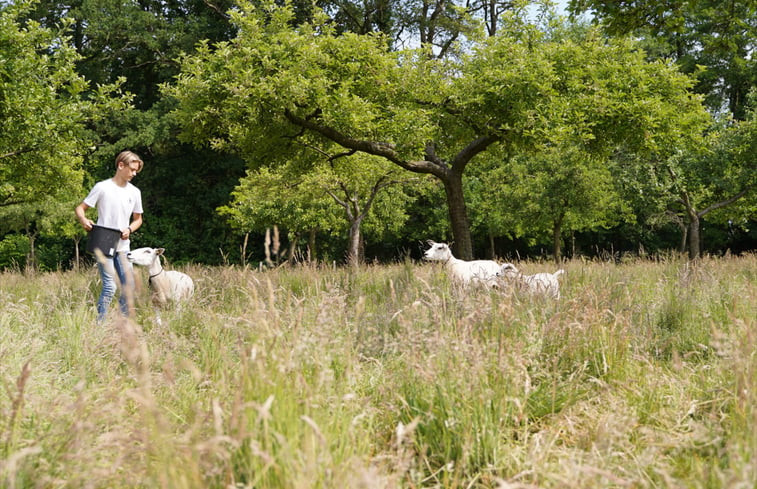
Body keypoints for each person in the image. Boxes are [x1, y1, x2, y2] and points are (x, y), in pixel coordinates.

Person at [75, 151, 144, 322]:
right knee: (110, 286)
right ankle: (101, 324)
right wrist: (84, 220)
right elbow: (80, 208)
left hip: (123, 246)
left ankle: (122, 323)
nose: (134, 174)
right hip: (103, 242)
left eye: (136, 171)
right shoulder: (102, 187)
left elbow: (138, 219)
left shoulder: (135, 192)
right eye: (132, 169)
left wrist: (130, 228)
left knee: (129, 286)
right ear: (121, 165)